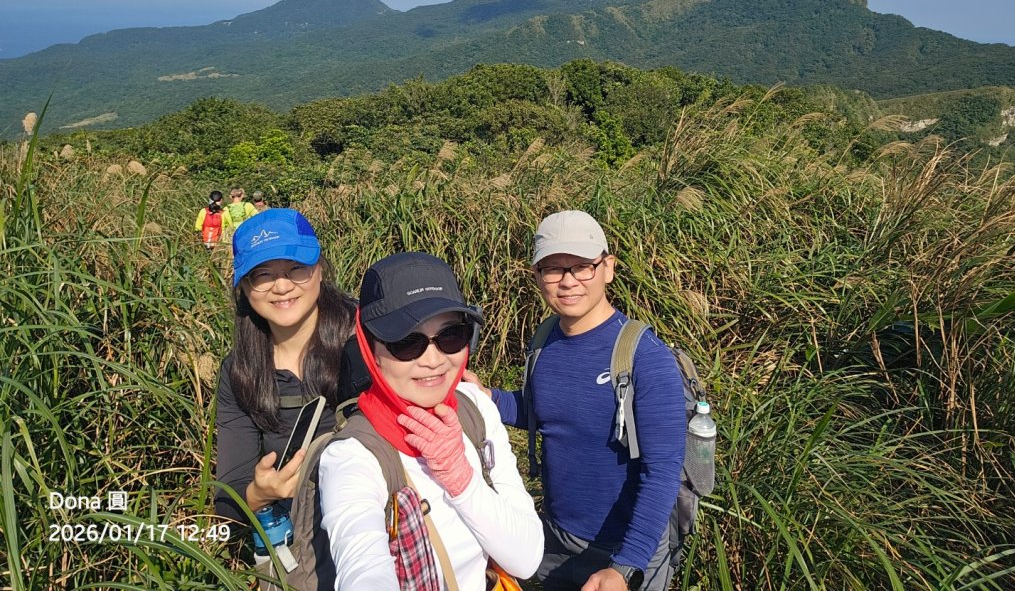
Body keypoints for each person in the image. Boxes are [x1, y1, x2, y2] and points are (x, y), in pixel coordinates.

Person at [465, 211, 686, 591]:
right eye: (553, 269)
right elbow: (547, 413)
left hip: (627, 550)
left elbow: (662, 473)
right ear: (536, 277)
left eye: (582, 267)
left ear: (608, 268)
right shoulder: (545, 340)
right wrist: (491, 399)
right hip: (555, 537)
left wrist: (626, 566)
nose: (568, 282)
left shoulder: (644, 355)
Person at [319, 251, 543, 590]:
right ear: (370, 349)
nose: (434, 360)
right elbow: (361, 561)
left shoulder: (475, 410)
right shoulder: (353, 456)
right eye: (407, 342)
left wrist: (462, 480)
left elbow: (526, 558)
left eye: (451, 335)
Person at [214, 208, 359, 532]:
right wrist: (258, 493)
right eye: (262, 274)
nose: (281, 286)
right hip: (303, 544)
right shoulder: (241, 372)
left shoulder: (365, 338)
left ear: (319, 270)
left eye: (296, 268)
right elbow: (227, 503)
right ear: (245, 287)